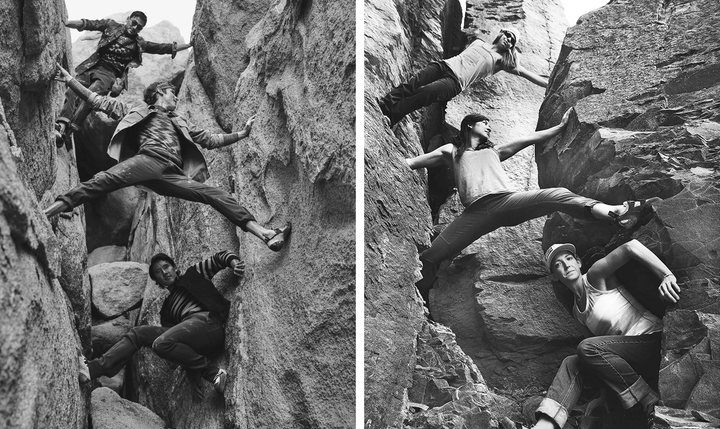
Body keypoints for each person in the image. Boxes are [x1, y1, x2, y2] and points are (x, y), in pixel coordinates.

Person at [407, 108, 659, 303]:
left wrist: (560, 127)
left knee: (557, 195)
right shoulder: (451, 151)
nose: (490, 129)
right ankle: (413, 295)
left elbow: (530, 138)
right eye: (486, 124)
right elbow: (413, 162)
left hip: (506, 202)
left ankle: (616, 212)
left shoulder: (495, 150)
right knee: (433, 254)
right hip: (475, 213)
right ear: (470, 125)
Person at [47, 63, 291, 251]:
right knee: (101, 181)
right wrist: (70, 80)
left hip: (170, 174)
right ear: (161, 92)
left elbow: (209, 140)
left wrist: (242, 133)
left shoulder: (180, 121)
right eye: (172, 93)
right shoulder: (137, 110)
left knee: (215, 195)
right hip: (148, 161)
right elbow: (98, 101)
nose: (176, 97)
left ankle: (264, 233)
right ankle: (48, 211)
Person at [500, 240, 681, 429]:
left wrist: (666, 275)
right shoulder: (577, 313)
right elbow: (596, 360)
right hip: (626, 363)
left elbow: (631, 247)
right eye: (558, 265)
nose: (566, 265)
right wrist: (604, 395)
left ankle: (648, 399)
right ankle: (545, 426)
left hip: (650, 342)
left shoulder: (595, 277)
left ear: (578, 262)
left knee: (587, 347)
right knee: (572, 362)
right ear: (554, 276)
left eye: (569, 258)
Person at [78, 250, 246, 394]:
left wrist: (234, 263)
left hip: (210, 325)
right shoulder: (167, 311)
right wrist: (191, 374)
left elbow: (219, 257)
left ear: (174, 268)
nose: (165, 272)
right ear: (158, 283)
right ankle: (93, 369)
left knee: (161, 343)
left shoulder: (193, 275)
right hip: (194, 338)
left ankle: (214, 373)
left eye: (166, 266)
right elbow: (179, 346)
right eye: (159, 272)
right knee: (139, 333)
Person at [55, 11, 192, 148]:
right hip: (92, 66)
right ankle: (61, 125)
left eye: (139, 27)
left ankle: (69, 131)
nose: (135, 27)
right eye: (134, 23)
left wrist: (189, 44)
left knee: (89, 96)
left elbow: (163, 48)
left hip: (108, 75)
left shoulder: (139, 44)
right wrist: (65, 23)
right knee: (72, 89)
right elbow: (90, 24)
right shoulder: (111, 25)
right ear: (128, 19)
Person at [378, 29, 548, 126]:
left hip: (455, 82)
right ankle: (385, 105)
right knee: (414, 82)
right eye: (507, 36)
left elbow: (529, 75)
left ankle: (392, 116)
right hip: (444, 65)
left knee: (426, 93)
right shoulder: (478, 42)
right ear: (501, 33)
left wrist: (550, 85)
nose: (508, 40)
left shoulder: (501, 61)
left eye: (512, 41)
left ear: (511, 46)